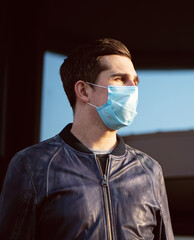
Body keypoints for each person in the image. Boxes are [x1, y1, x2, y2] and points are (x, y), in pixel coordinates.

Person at [0, 38, 174, 239]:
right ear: (83, 90)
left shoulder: (149, 172)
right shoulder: (33, 166)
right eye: (119, 79)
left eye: (134, 81)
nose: (132, 89)